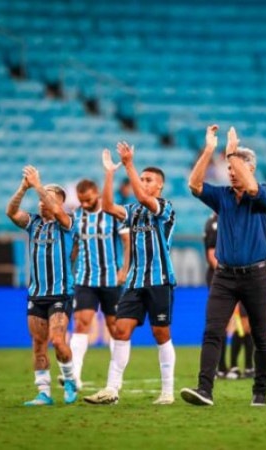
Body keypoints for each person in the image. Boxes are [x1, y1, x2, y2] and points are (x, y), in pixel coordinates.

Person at [181, 125, 266, 407]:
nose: (231, 170)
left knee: (260, 335)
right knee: (213, 331)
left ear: (251, 168)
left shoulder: (265, 194)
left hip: (256, 276)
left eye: (236, 166)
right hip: (224, 277)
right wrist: (210, 150)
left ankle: (260, 391)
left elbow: (253, 187)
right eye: (229, 167)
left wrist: (231, 151)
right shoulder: (222, 196)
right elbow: (194, 185)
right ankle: (205, 390)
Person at [84, 143, 177, 406]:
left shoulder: (165, 207)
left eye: (148, 180)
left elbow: (144, 199)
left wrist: (129, 165)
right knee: (120, 330)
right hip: (135, 282)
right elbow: (109, 205)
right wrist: (110, 172)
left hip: (160, 281)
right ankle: (111, 389)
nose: (143, 182)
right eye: (141, 178)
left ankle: (167, 391)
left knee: (161, 333)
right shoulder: (133, 211)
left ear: (159, 186)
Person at [6, 166, 77, 406]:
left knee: (58, 340)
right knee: (38, 344)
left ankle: (69, 379)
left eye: (46, 197)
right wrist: (23, 188)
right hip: (36, 294)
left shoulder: (67, 222)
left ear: (60, 202)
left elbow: (56, 210)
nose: (40, 201)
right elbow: (11, 211)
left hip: (61, 293)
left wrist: (38, 184)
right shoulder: (33, 223)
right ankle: (43, 392)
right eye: (39, 198)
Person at [61, 179, 129, 393]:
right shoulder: (77, 215)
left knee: (116, 329)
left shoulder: (113, 212)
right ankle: (75, 377)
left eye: (88, 200)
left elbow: (127, 243)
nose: (85, 204)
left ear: (97, 194)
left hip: (111, 279)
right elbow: (74, 245)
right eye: (81, 200)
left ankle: (116, 378)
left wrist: (124, 270)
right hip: (85, 279)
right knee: (81, 324)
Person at [203, 213, 254, 379]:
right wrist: (229, 278)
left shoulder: (238, 219)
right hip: (222, 278)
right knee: (223, 322)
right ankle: (222, 367)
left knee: (245, 323)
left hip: (243, 275)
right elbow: (212, 255)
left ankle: (243, 366)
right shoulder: (214, 224)